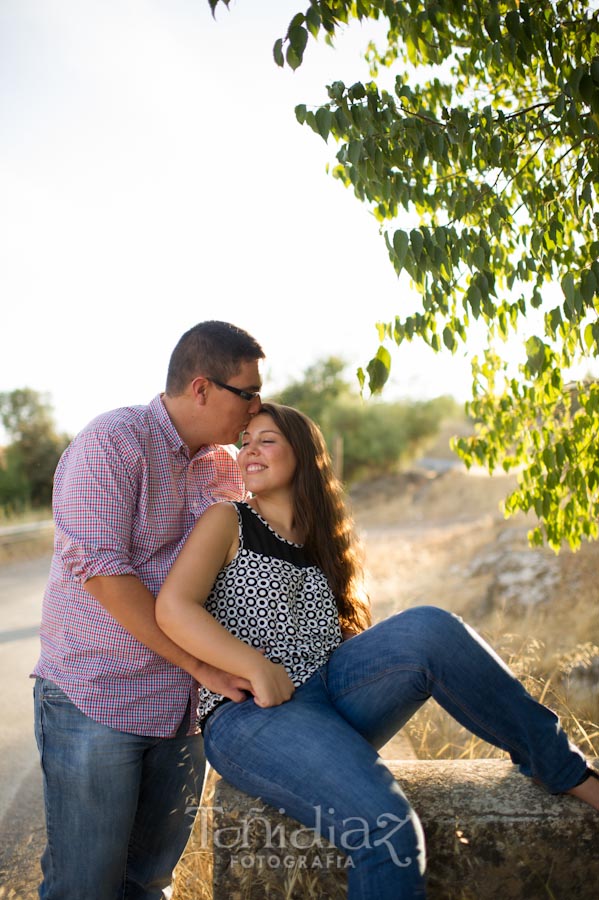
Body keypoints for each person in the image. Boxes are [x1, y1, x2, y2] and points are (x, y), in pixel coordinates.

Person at [155, 401, 599, 900]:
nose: (249, 450)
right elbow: (173, 609)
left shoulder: (324, 541)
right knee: (389, 831)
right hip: (254, 716)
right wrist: (254, 666)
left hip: (330, 695)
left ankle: (567, 771)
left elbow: (346, 640)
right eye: (245, 441)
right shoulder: (228, 519)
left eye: (266, 439)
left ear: (303, 454)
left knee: (430, 626)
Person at [32, 320, 265, 900]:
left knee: (148, 885)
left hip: (182, 710)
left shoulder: (222, 467)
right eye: (248, 392)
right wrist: (203, 666)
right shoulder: (111, 442)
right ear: (202, 388)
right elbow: (106, 577)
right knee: (85, 888)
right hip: (97, 698)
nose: (258, 405)